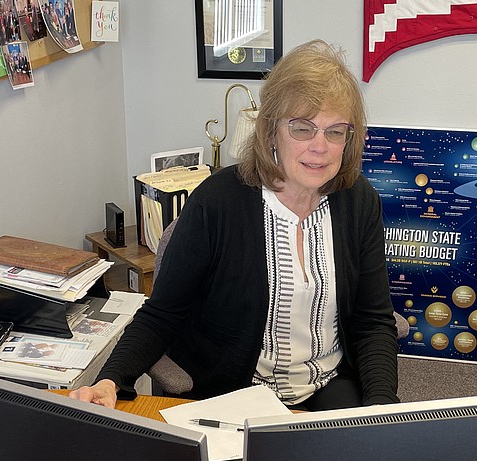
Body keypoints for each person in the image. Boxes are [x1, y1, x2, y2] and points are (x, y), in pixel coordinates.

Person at [71, 39, 399, 411]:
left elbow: (372, 321)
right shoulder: (218, 202)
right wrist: (112, 379)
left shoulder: (358, 200)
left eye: (335, 131)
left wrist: (382, 407)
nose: (320, 147)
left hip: (326, 382)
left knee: (363, 459)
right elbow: (163, 314)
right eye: (303, 128)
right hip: (233, 390)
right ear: (272, 130)